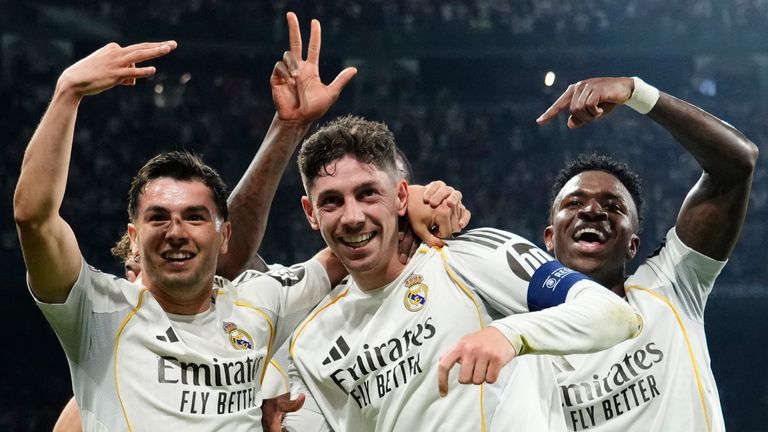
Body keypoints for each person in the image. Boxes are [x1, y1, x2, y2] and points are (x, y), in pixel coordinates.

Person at [288, 114, 642, 431]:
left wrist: (510, 334)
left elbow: (614, 314)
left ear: (400, 196)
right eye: (331, 201)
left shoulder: (471, 256)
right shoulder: (310, 341)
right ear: (310, 212)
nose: (352, 217)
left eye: (367, 194)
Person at [536, 76, 757, 431]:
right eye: (574, 203)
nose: (592, 211)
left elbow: (736, 164)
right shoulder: (526, 344)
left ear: (633, 245)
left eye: (613, 206)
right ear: (549, 237)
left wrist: (636, 92)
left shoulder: (671, 285)